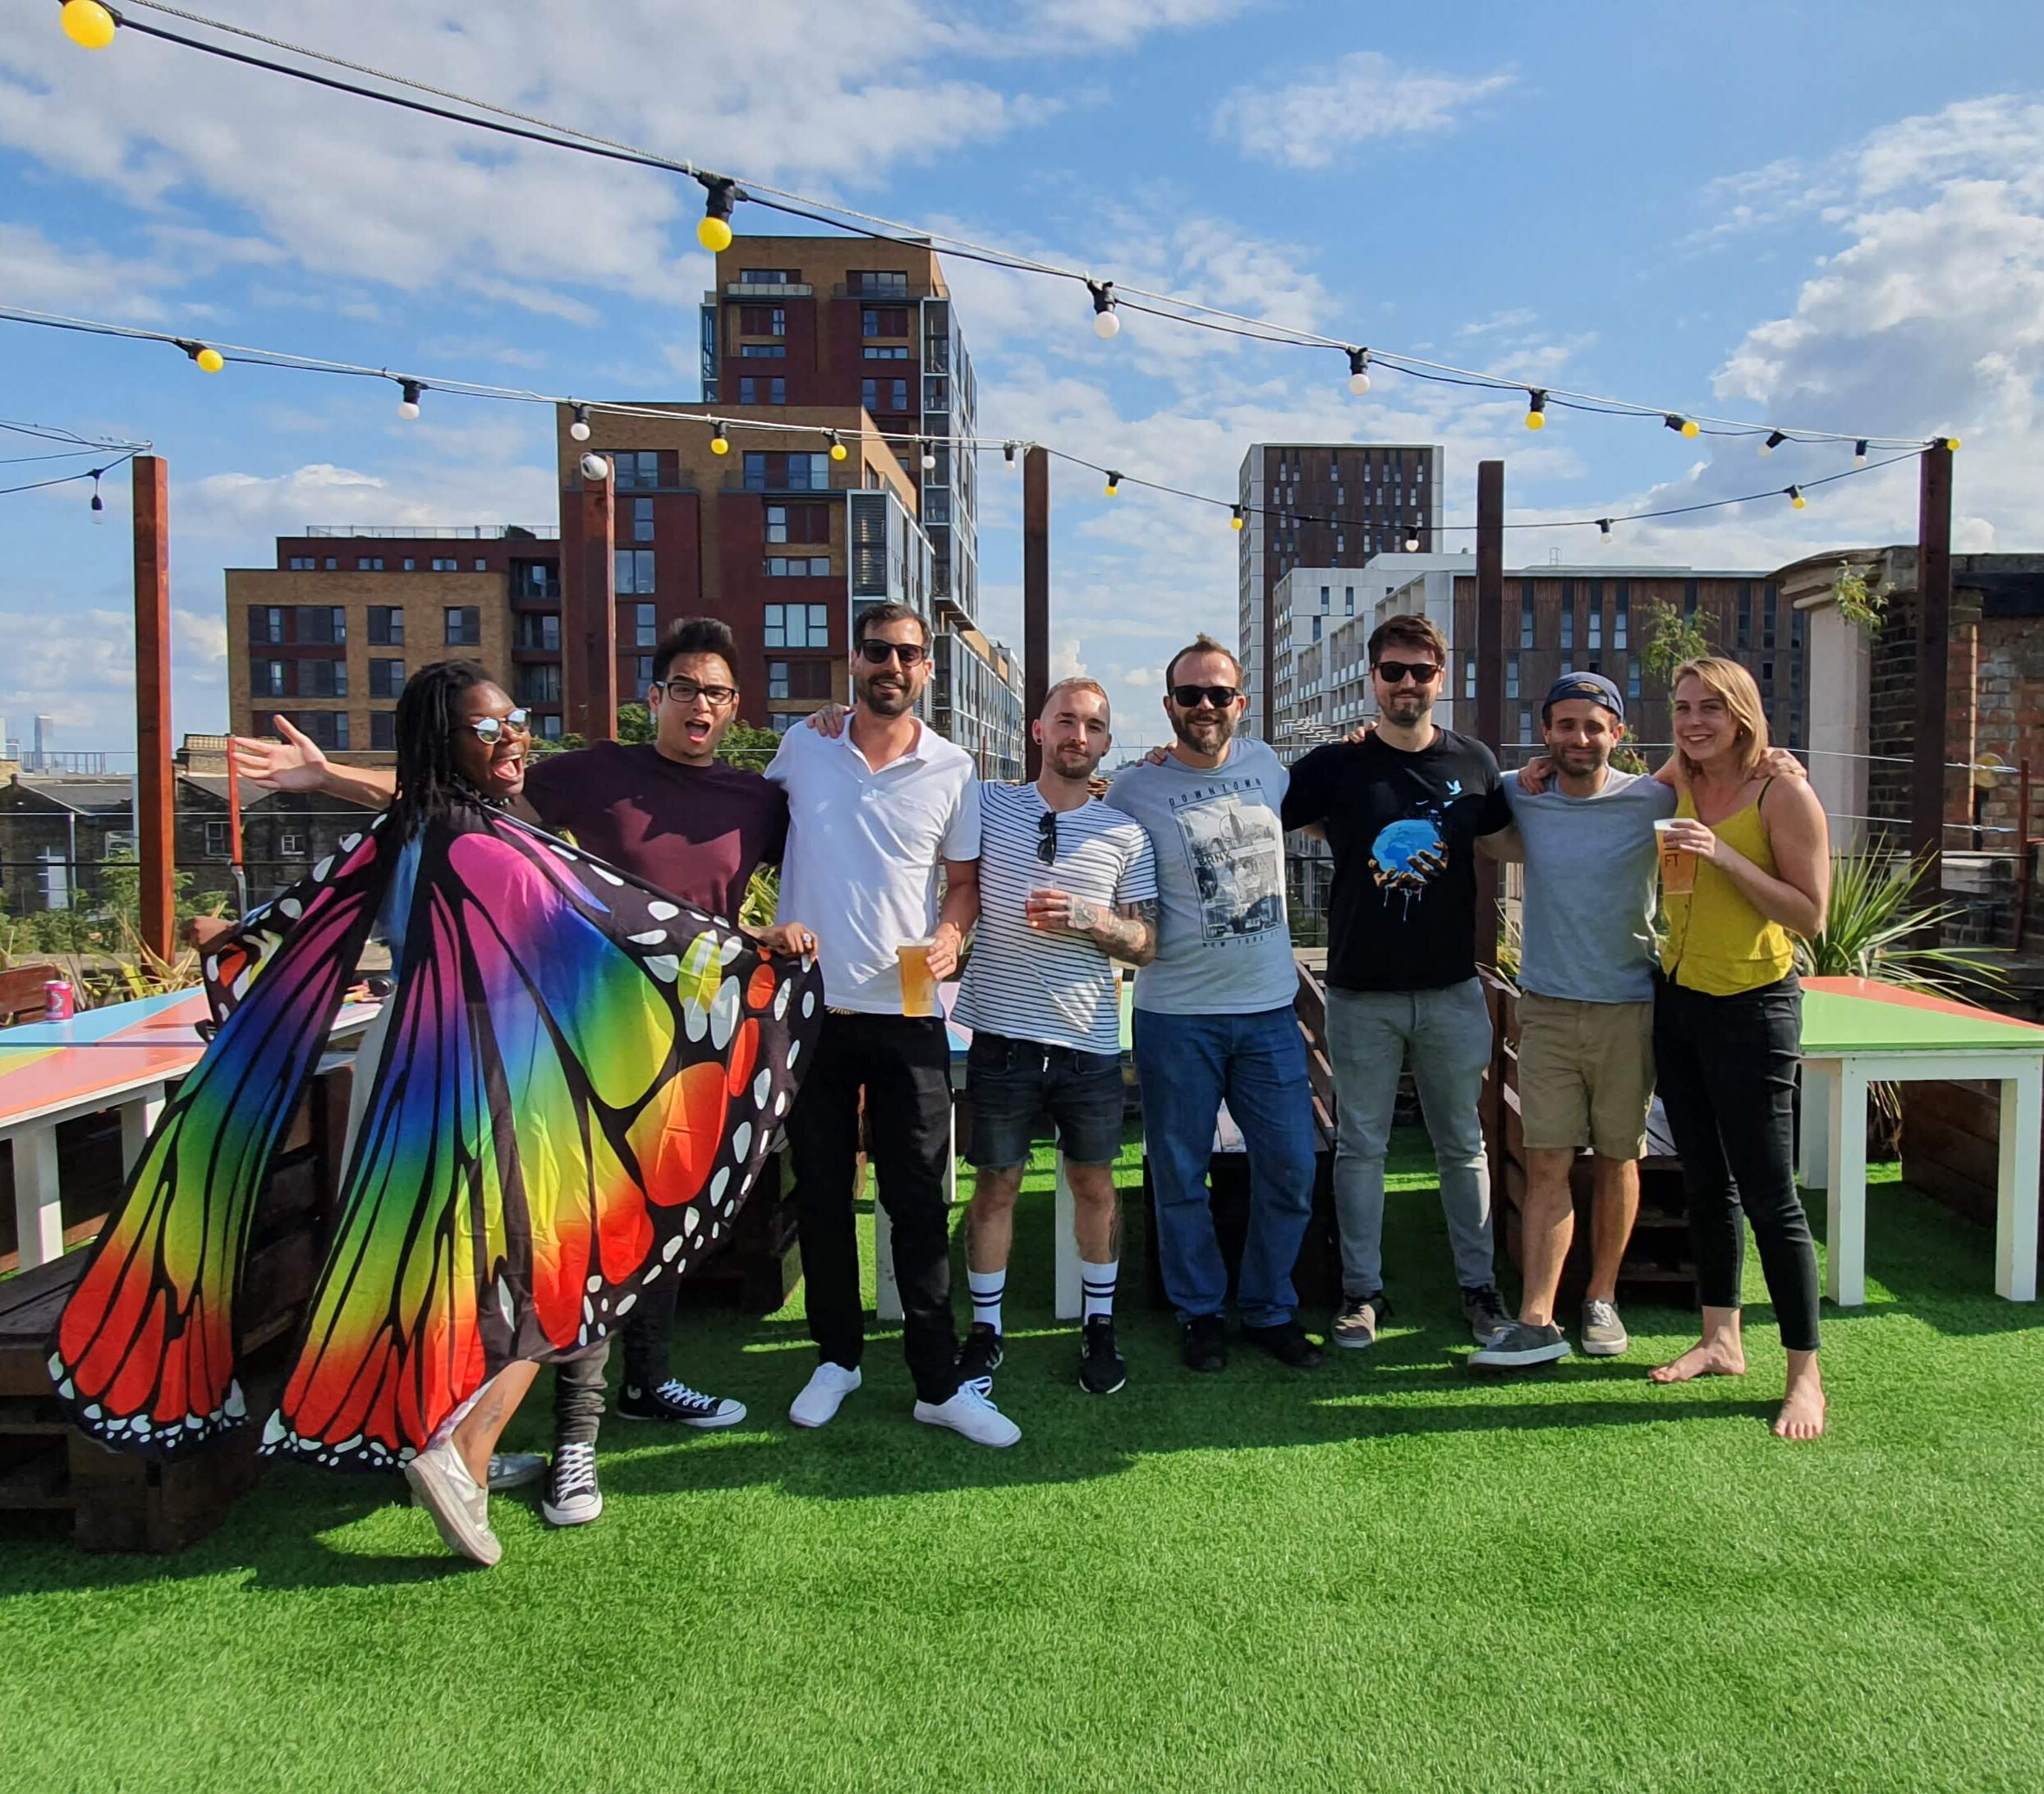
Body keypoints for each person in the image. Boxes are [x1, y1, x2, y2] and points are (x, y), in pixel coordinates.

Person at [58, 662, 819, 1565]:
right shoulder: (480, 841)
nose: (512, 738)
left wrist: (324, 782)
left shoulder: (428, 821)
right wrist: (746, 946)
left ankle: (436, 1436)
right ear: (445, 743)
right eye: (487, 730)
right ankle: (462, 1455)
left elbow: (317, 901)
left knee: (452, 1272)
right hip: (479, 1081)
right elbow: (601, 922)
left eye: (515, 721)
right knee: (545, 1270)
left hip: (432, 1077)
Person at [767, 602, 1015, 1447]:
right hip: (813, 1012)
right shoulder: (804, 746)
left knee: (917, 1202)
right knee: (823, 1197)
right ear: (854, 659)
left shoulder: (952, 767)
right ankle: (836, 1358)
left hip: (908, 1013)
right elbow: (746, 838)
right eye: (879, 651)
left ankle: (936, 1383)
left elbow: (963, 883)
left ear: (927, 669)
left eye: (909, 654)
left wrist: (951, 935)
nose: (893, 666)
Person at [1282, 614, 1513, 1353]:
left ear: (1440, 678)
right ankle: (1360, 1293)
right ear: (1372, 679)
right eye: (1392, 671)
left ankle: (1479, 1290)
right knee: (1361, 1148)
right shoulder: (1334, 764)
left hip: (1451, 991)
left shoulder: (1474, 761)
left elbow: (1506, 835)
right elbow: (1259, 802)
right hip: (1359, 994)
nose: (1406, 684)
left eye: (1420, 671)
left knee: (1462, 1145)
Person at [1107, 633, 1321, 1374]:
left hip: (1267, 1013)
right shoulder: (1134, 787)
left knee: (1289, 1168)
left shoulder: (1267, 767)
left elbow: (1338, 789)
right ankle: (1199, 1312)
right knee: (1178, 1176)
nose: (1204, 706)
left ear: (1240, 702)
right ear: (1168, 704)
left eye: (1218, 694)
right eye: (1190, 694)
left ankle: (1267, 1307)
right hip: (1175, 1015)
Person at [952, 678, 1157, 1396]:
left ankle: (1099, 1324)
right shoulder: (987, 804)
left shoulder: (1125, 833)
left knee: (1093, 1182)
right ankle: (986, 1331)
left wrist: (1090, 918)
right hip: (1001, 1035)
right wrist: (834, 720)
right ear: (1038, 730)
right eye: (1065, 720)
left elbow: (1146, 942)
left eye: (1092, 726)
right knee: (995, 1185)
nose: (1078, 735)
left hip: (1087, 1042)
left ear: (1106, 743)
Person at [1646, 658, 1830, 1440]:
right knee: (1703, 1181)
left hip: (1753, 1005)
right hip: (1679, 998)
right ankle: (1720, 1339)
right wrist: (1545, 770)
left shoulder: (1781, 791)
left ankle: (1804, 1376)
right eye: (1683, 707)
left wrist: (1722, 855)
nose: (1693, 722)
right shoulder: (1679, 776)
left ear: (1742, 715)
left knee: (1769, 1196)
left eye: (1710, 709)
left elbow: (1810, 914)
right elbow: (1620, 792)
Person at [1467, 674, 1670, 1369]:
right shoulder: (1521, 793)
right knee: (1547, 1161)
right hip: (1547, 1008)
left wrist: (1778, 763)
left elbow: (1718, 779)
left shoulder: (1653, 800)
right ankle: (1536, 1317)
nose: (1578, 739)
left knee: (1617, 1156)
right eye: (1563, 726)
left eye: (1592, 726)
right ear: (1545, 733)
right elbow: (1467, 798)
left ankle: (1601, 1298)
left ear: (1618, 733)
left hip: (1628, 1008)